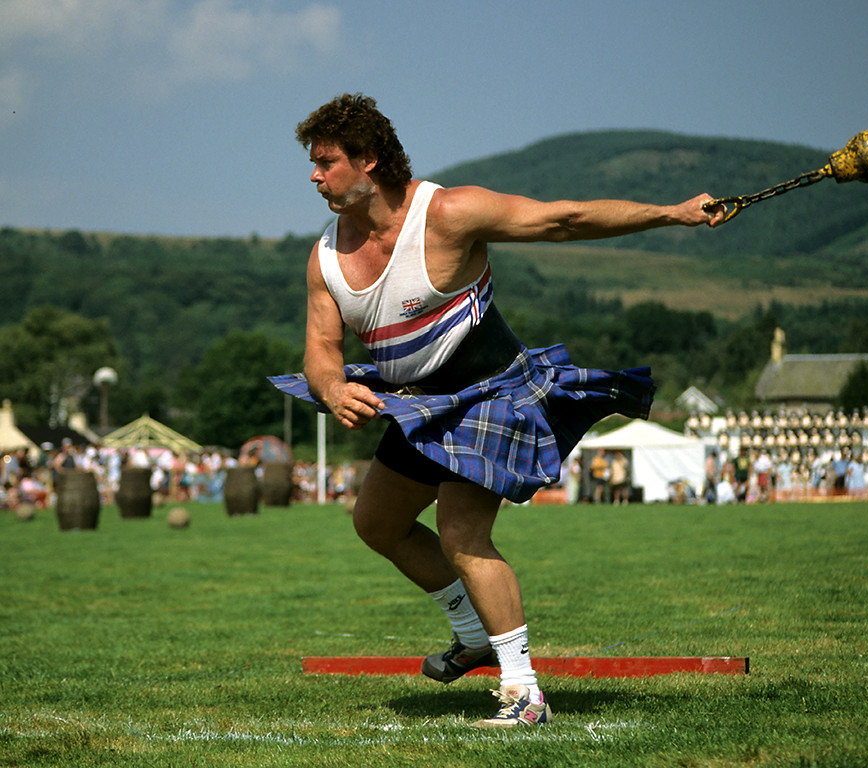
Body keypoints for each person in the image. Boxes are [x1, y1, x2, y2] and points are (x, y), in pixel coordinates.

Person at [272, 93, 724, 728]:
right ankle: (474, 634)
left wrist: (672, 213)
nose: (314, 176)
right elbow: (321, 347)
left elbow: (563, 219)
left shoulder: (449, 213)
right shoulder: (324, 257)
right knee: (376, 523)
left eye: (325, 162)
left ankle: (523, 692)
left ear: (368, 160)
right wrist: (330, 387)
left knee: (462, 534)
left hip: (490, 395)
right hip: (420, 404)